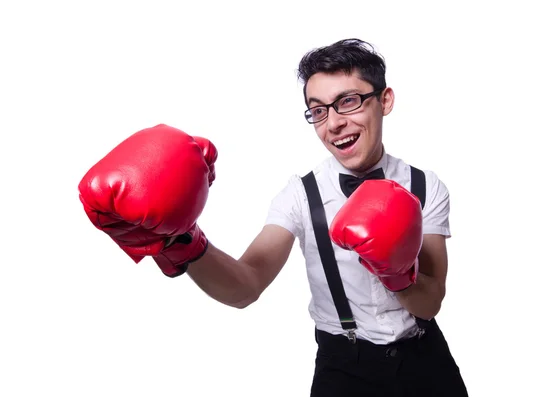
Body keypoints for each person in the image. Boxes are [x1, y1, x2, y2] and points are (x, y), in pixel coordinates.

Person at [78, 38, 468, 396]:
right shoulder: (301, 195)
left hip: (425, 361)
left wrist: (397, 273)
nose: (333, 123)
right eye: (318, 110)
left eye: (348, 101)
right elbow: (245, 286)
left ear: (384, 101)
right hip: (345, 370)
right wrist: (181, 241)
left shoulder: (426, 186)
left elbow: (431, 303)